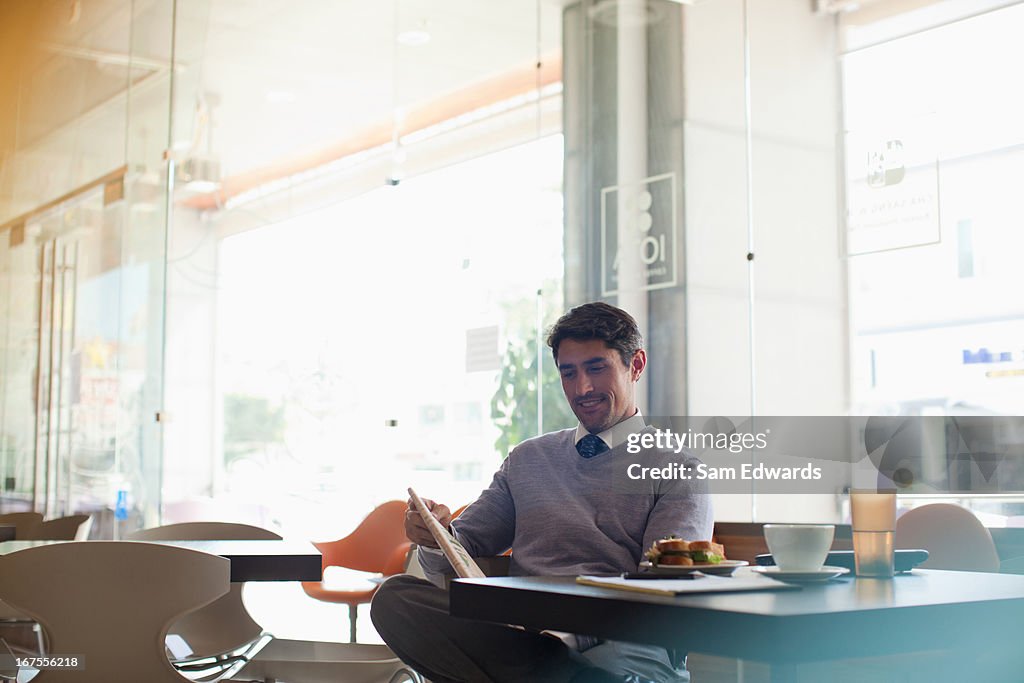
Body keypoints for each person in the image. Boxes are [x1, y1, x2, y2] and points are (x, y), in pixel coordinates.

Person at [371, 301, 712, 683]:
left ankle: (550, 666)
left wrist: (565, 636)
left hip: (622, 645)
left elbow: (660, 596)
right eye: (569, 373)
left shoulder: (679, 469)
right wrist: (432, 537)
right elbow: (461, 550)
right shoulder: (528, 459)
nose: (582, 388)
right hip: (519, 636)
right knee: (395, 599)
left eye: (596, 369)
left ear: (635, 365)